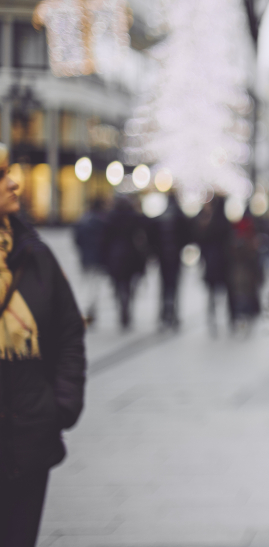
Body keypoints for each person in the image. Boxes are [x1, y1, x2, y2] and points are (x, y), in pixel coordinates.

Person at [0, 143, 86, 545]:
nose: (14, 182)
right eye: (2, 176)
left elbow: (69, 329)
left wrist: (61, 406)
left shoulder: (34, 255)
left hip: (29, 437)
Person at [100, 196, 148, 330]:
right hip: (131, 256)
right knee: (128, 285)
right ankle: (126, 304)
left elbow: (104, 241)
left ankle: (122, 304)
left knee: (118, 284)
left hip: (115, 256)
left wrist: (104, 260)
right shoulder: (135, 217)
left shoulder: (110, 218)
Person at [147, 194, 190, 331]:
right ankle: (173, 313)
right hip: (174, 258)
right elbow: (187, 236)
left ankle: (165, 314)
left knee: (164, 287)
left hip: (163, 258)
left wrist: (155, 252)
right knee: (174, 286)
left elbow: (151, 236)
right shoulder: (180, 217)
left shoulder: (160, 218)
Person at [194, 195, 233, 336]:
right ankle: (227, 319)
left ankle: (215, 319)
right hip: (221, 262)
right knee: (223, 293)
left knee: (214, 293)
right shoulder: (223, 222)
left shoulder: (213, 223)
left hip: (214, 262)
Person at [72, 198, 106, 326]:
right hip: (96, 258)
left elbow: (77, 239)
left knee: (87, 284)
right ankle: (89, 311)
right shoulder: (101, 221)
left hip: (86, 257)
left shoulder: (83, 220)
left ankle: (87, 310)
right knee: (94, 285)